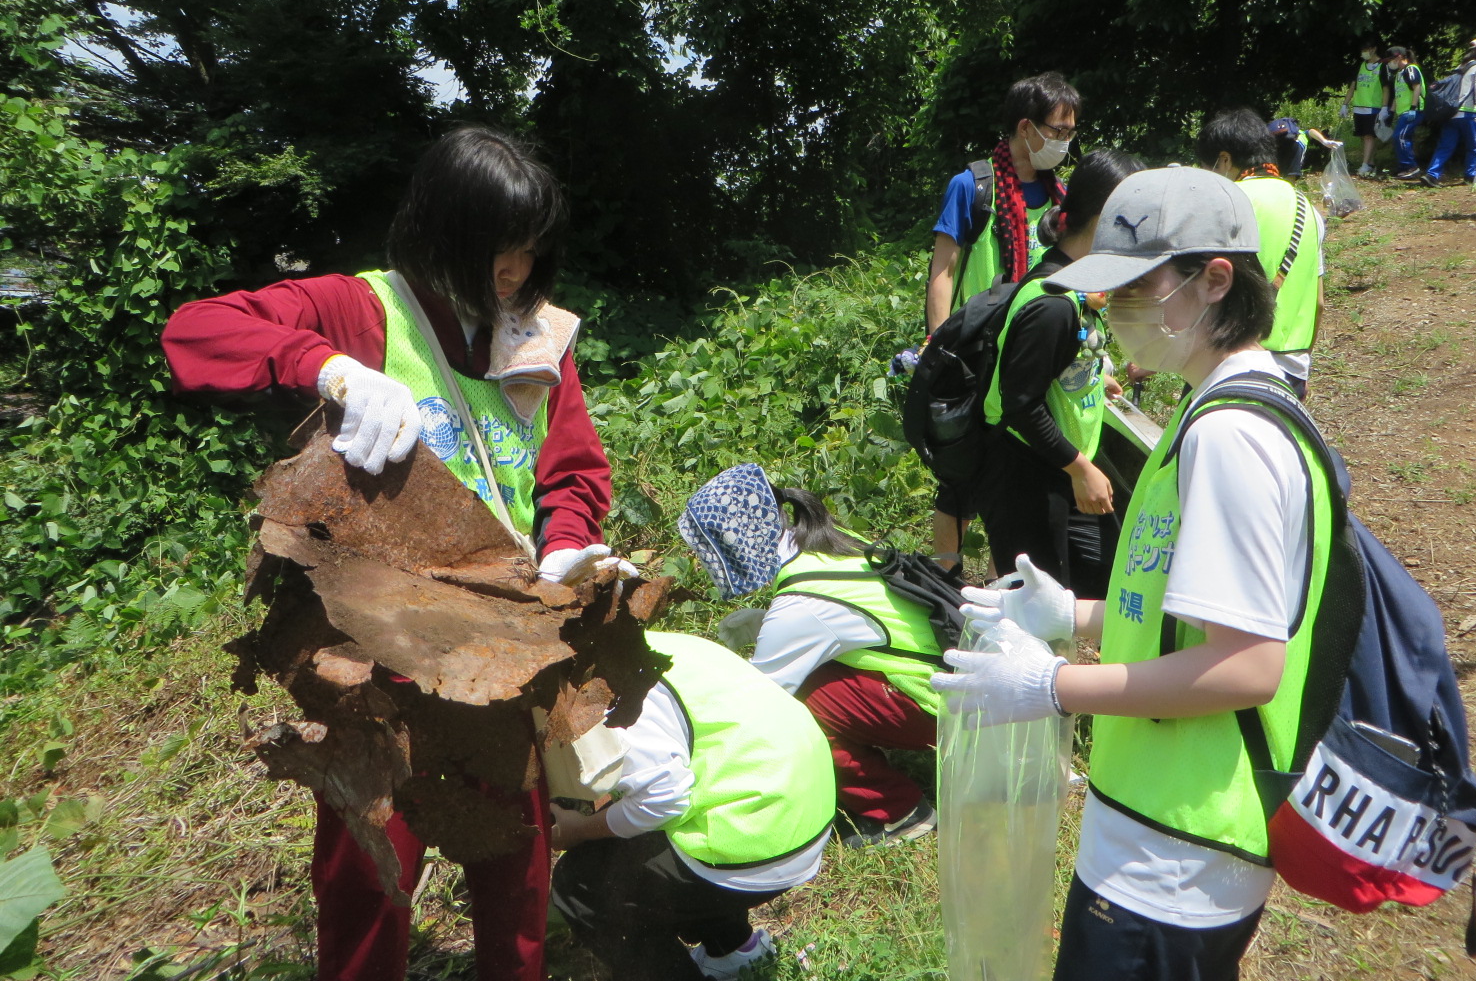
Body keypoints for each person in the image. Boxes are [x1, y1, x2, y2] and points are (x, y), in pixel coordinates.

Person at [162, 126, 624, 981]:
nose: (512, 275)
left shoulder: (536, 338)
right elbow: (199, 331)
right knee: (368, 878)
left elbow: (571, 468)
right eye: (495, 252)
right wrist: (326, 365)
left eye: (528, 253)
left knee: (516, 876)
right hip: (382, 663)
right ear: (438, 232)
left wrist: (564, 549)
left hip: (501, 656)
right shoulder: (363, 308)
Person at [935, 166, 1356, 981]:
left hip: (1176, 852)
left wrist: (1054, 686)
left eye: (1135, 286)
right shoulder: (1213, 407)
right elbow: (1193, 614)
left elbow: (1247, 665)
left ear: (1215, 280)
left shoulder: (1231, 436)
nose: (1114, 307)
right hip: (1157, 829)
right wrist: (1077, 616)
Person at [676, 464, 943, 848]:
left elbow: (759, 704)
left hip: (940, 703)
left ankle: (898, 813)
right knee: (814, 681)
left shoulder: (801, 603)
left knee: (798, 706)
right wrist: (766, 622)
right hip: (955, 678)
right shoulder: (824, 544)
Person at [549, 630, 835, 981]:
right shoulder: (653, 642)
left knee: (581, 885)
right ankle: (735, 949)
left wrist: (580, 830)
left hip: (755, 840)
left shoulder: (601, 691)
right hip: (805, 808)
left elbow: (663, 801)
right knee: (654, 846)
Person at [924, 71, 1082, 568]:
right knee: (959, 479)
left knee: (1018, 485)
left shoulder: (1062, 198)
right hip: (976, 357)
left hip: (1032, 361)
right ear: (1025, 127)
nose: (1062, 143)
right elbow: (944, 271)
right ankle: (945, 583)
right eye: (1055, 131)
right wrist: (938, 343)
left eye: (1069, 133)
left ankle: (1006, 588)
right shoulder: (973, 187)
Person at [974, 149, 1144, 597]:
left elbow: (1050, 366)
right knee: (1040, 615)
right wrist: (1081, 469)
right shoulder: (1052, 304)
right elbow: (1021, 403)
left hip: (1060, 469)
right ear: (1110, 218)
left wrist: (1089, 374)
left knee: (1096, 585)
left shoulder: (1074, 283)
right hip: (1029, 479)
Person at [1199, 110, 1326, 399]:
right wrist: (1302, 367)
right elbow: (1318, 303)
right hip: (1292, 369)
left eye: (1208, 167)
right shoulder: (1309, 209)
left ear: (1225, 160)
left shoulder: (1227, 202)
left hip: (1232, 364)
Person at [1424, 37, 1476, 187]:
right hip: (1468, 113)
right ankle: (1470, 175)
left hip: (1451, 113)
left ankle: (1431, 174)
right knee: (1474, 145)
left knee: (1445, 146)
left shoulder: (1461, 67)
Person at [1339, 39, 1385, 176]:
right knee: (1362, 136)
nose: (1364, 53)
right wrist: (1345, 104)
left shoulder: (1383, 66)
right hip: (1359, 106)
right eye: (1363, 51)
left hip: (1374, 107)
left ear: (1374, 49)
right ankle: (1370, 164)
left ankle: (1364, 165)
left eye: (1366, 50)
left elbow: (1387, 88)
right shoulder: (1361, 66)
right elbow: (1353, 86)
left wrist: (1385, 107)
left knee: (1369, 136)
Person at [1382, 46, 1427, 180]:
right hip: (1403, 112)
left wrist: (1413, 107)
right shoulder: (1399, 74)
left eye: (1391, 59)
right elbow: (1398, 95)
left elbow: (1416, 87)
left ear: (1399, 57)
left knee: (1399, 137)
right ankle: (1404, 167)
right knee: (1402, 138)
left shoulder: (1411, 69)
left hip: (1413, 110)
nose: (1390, 63)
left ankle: (1411, 167)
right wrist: (1391, 112)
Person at [1265, 117, 1340, 179]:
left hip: (1273, 146)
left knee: (1273, 176)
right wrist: (1324, 141)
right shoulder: (1300, 134)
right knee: (1290, 179)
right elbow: (1311, 131)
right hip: (1296, 145)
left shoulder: (1275, 135)